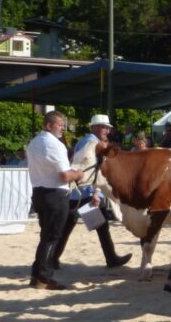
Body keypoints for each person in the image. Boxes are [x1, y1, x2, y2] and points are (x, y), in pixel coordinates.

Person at [51, 114, 132, 271]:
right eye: (103, 127)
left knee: (72, 224)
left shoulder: (86, 141)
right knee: (97, 226)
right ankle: (111, 258)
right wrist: (96, 193)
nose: (107, 130)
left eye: (108, 127)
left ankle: (53, 257)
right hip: (86, 190)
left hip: (78, 190)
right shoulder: (92, 143)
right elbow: (88, 168)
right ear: (93, 127)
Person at [27, 111, 85, 290]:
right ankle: (44, 278)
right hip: (55, 195)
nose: (63, 128)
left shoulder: (34, 142)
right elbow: (64, 176)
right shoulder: (55, 145)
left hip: (39, 192)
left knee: (46, 236)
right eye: (60, 125)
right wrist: (79, 173)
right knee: (52, 237)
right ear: (49, 125)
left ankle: (37, 275)